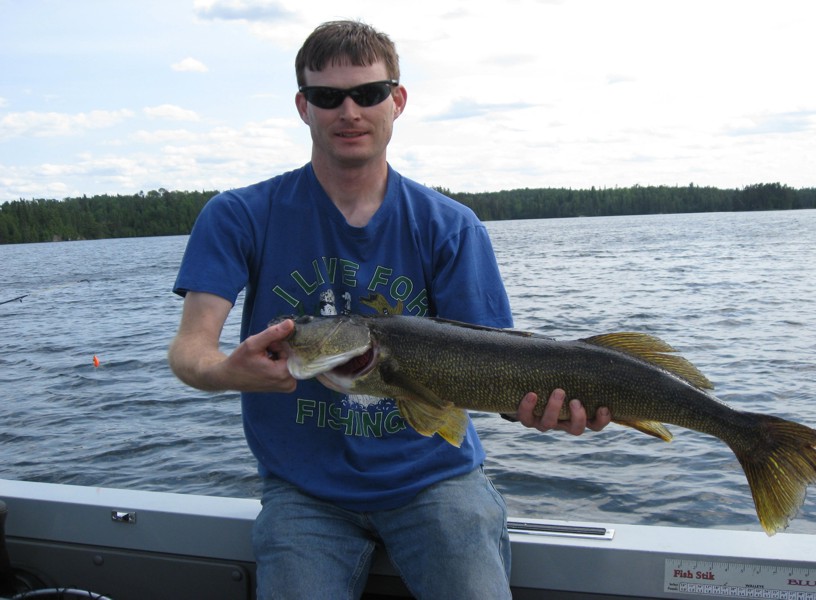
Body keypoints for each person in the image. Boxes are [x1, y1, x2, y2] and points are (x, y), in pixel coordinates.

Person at [168, 19, 610, 600]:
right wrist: (227, 372)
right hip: (303, 491)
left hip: (436, 479)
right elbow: (190, 351)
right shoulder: (238, 215)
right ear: (303, 107)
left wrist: (540, 408)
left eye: (369, 93)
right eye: (328, 97)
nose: (349, 111)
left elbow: (499, 368)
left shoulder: (451, 227)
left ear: (397, 101)